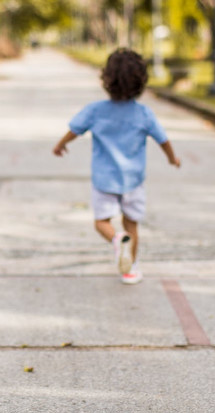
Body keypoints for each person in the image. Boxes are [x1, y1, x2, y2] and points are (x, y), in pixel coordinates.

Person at [53, 48, 181, 285]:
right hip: (133, 180)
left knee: (101, 222)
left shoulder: (95, 110)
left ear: (106, 79)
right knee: (131, 224)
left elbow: (74, 130)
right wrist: (172, 158)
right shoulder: (144, 113)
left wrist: (60, 145)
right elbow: (163, 140)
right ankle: (130, 270)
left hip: (104, 180)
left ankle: (115, 238)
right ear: (141, 82)